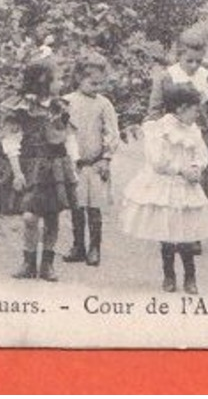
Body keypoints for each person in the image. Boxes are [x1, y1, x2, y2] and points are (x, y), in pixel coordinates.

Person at [121, 83, 208, 294]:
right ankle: (169, 275)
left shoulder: (193, 130)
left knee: (187, 234)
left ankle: (190, 276)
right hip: (167, 184)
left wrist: (197, 167)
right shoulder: (159, 129)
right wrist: (182, 170)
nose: (198, 113)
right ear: (180, 108)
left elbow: (202, 154)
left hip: (187, 186)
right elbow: (158, 161)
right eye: (195, 109)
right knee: (168, 233)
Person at [0, 55, 79, 282]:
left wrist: (72, 166)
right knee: (29, 217)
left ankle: (47, 264)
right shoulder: (22, 107)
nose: (62, 84)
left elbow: (69, 137)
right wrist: (17, 172)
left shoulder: (60, 106)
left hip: (56, 166)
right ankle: (28, 261)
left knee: (52, 216)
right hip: (31, 165)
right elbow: (12, 141)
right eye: (58, 79)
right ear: (44, 80)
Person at [62, 52, 120, 267]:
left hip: (96, 164)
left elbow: (112, 133)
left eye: (100, 84)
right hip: (74, 164)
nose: (96, 88)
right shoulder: (67, 102)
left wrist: (106, 157)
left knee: (94, 208)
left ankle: (95, 247)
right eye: (92, 83)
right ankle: (78, 245)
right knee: (77, 206)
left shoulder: (103, 104)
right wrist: (70, 158)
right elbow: (64, 133)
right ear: (79, 78)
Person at [147, 39, 208, 199]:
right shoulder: (165, 78)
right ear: (179, 56)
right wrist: (161, 136)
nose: (194, 65)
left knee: (203, 184)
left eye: (199, 61)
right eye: (189, 61)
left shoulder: (207, 78)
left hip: (201, 136)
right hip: (173, 139)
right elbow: (154, 112)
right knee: (173, 185)